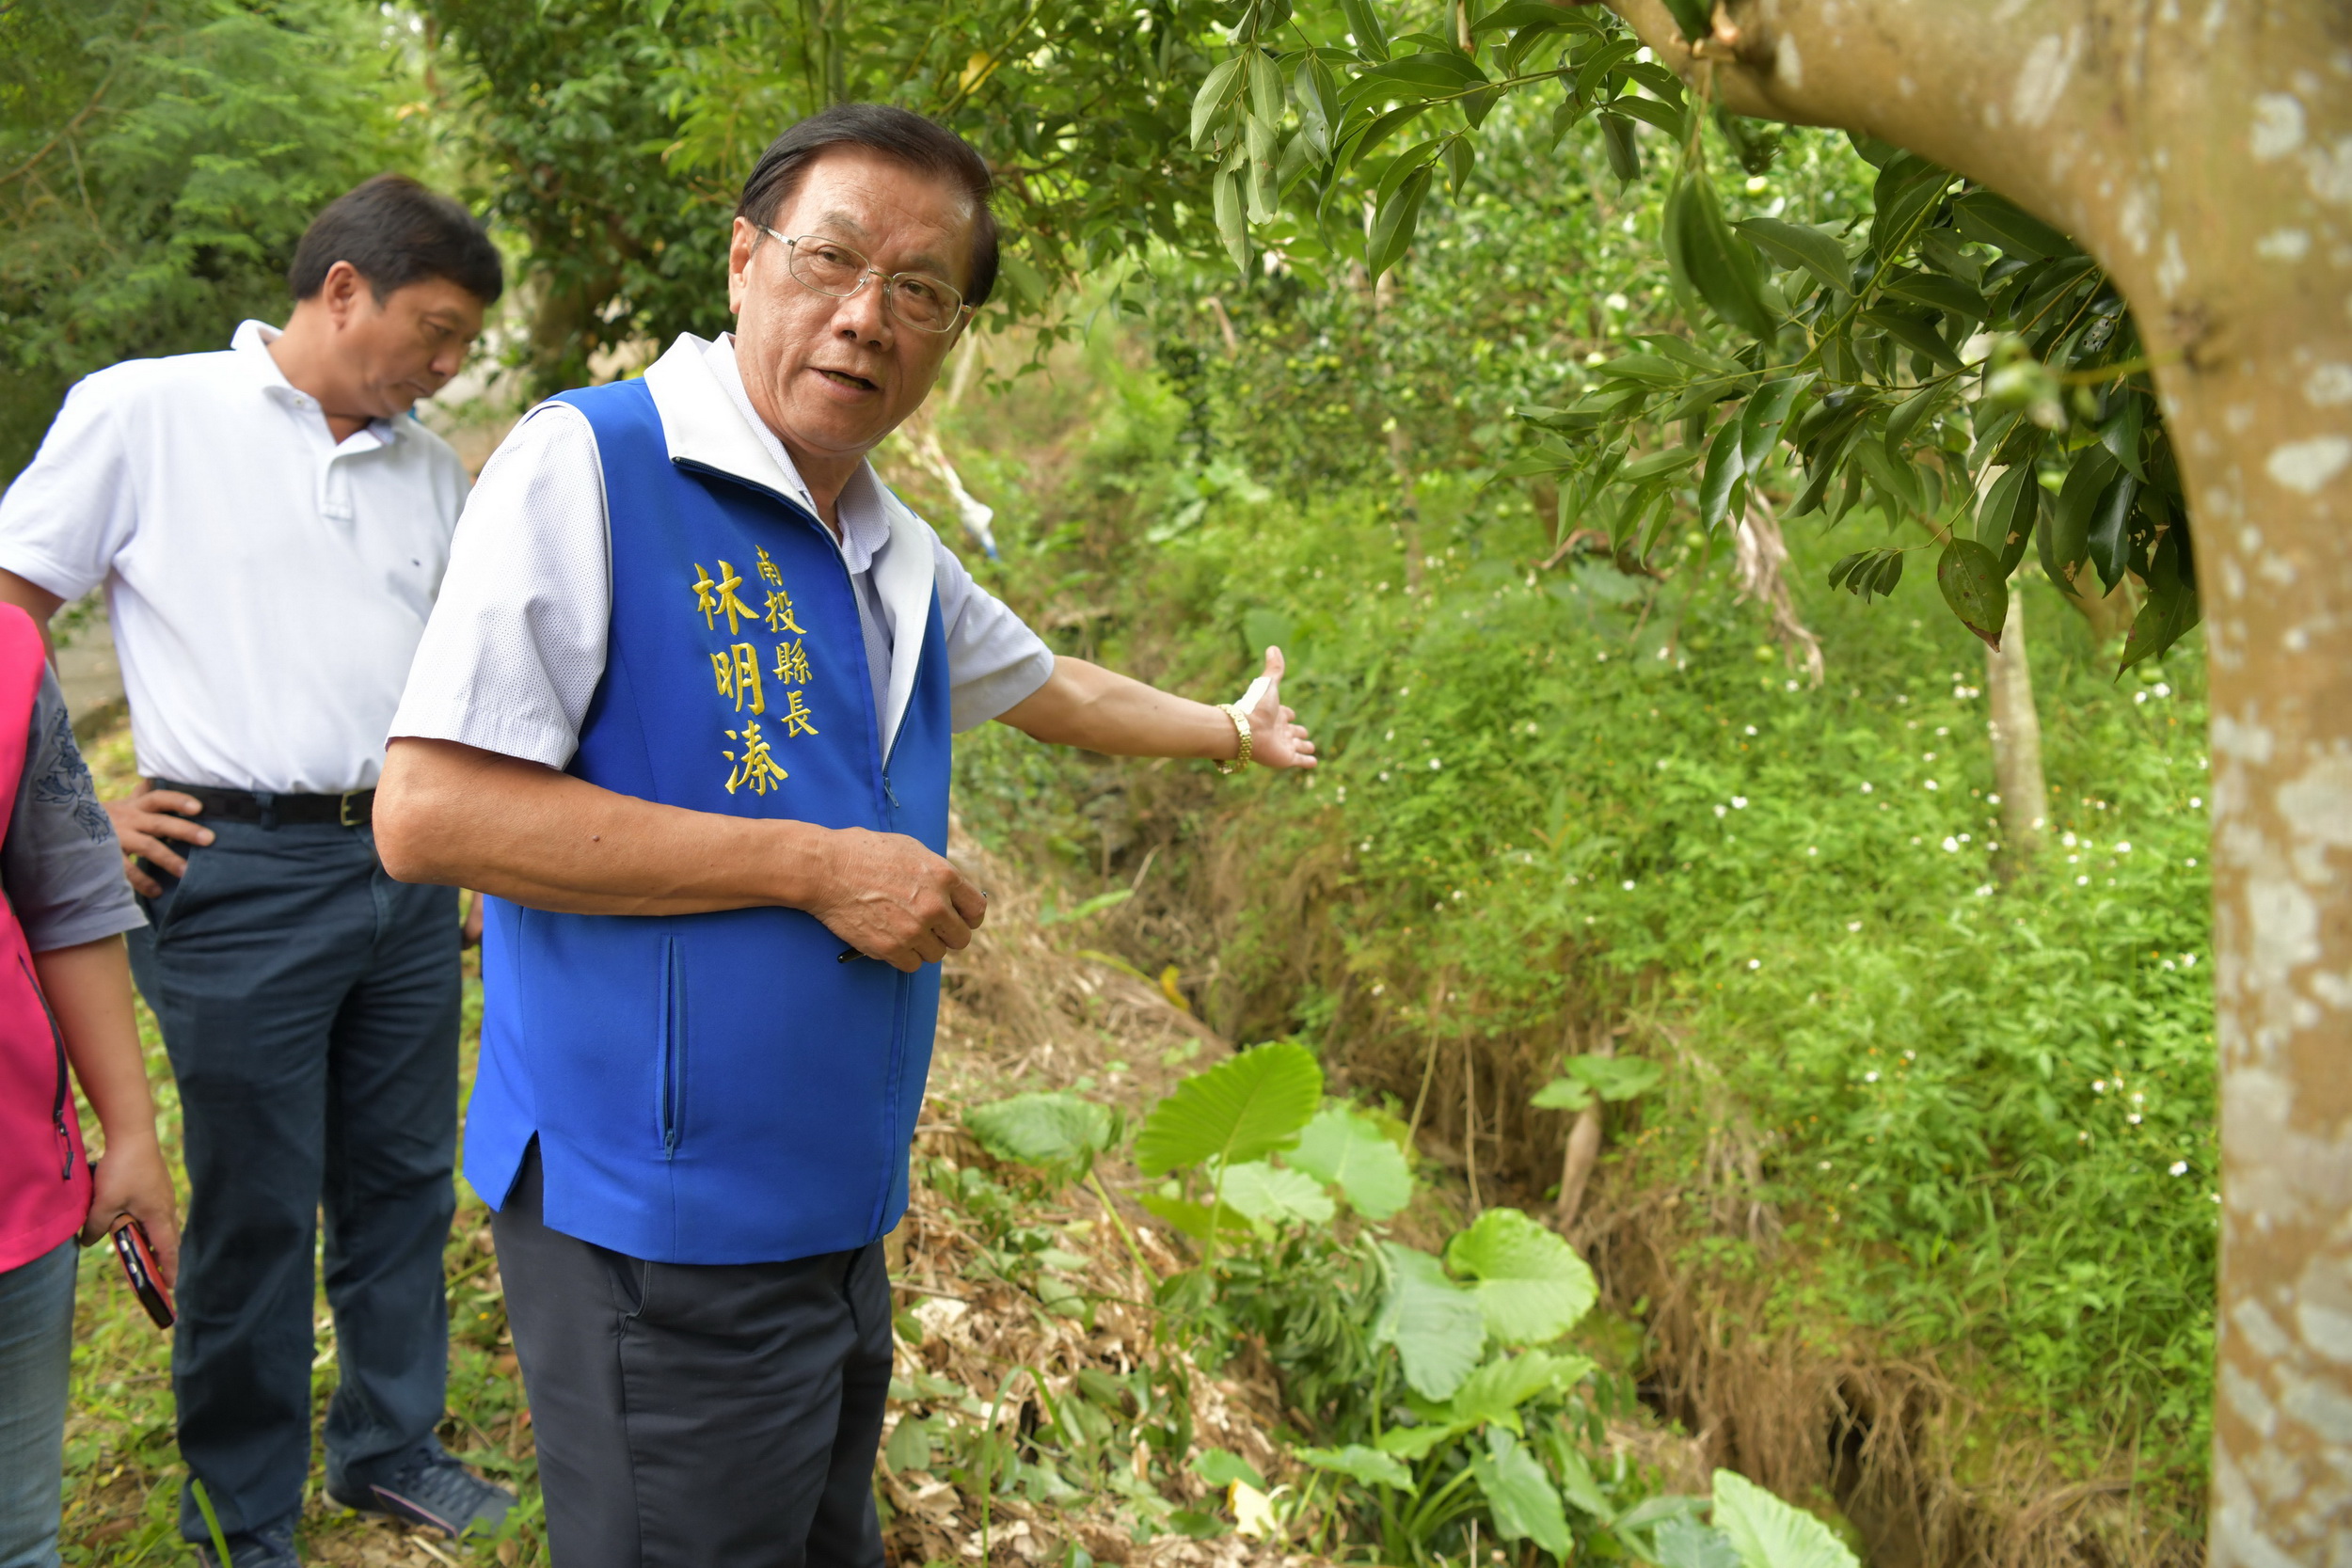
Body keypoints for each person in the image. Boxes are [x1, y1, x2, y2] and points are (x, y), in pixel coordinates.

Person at [372, 103, 1314, 1566]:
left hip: (828, 1207)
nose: (866, 316)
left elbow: (1051, 681)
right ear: (746, 261)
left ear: (953, 332)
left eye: (922, 290)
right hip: (652, 1226)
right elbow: (431, 813)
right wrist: (816, 862)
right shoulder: (595, 465)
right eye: (831, 259)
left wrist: (1224, 725)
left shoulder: (889, 540)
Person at [0, 175, 516, 1567]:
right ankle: (242, 1512)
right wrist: (70, 811)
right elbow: (9, 604)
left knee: (404, 1173)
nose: (449, 362)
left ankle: (390, 1443)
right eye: (438, 326)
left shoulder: (429, 469)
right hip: (230, 870)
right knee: (252, 1200)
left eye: (465, 341)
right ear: (342, 287)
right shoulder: (147, 411)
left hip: (401, 871)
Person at [0, 601, 176, 1568]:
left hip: (12, 1195)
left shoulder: (6, 659)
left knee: (19, 1537)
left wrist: (134, 1131)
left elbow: (64, 892)